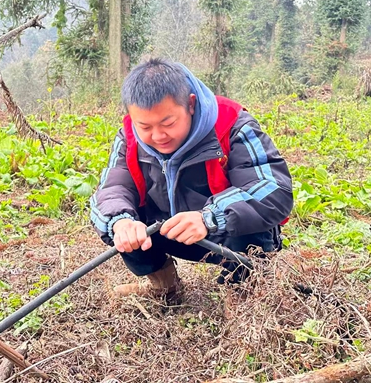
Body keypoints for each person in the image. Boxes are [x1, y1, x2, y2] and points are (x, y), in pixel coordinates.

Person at [89, 58, 294, 302]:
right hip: (164, 229)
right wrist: (120, 223)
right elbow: (112, 189)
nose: (157, 136)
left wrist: (210, 217)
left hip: (223, 234)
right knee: (124, 225)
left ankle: (244, 295)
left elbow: (274, 189)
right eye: (145, 126)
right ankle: (163, 284)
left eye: (168, 123)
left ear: (191, 105)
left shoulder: (232, 124)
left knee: (251, 230)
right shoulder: (129, 138)